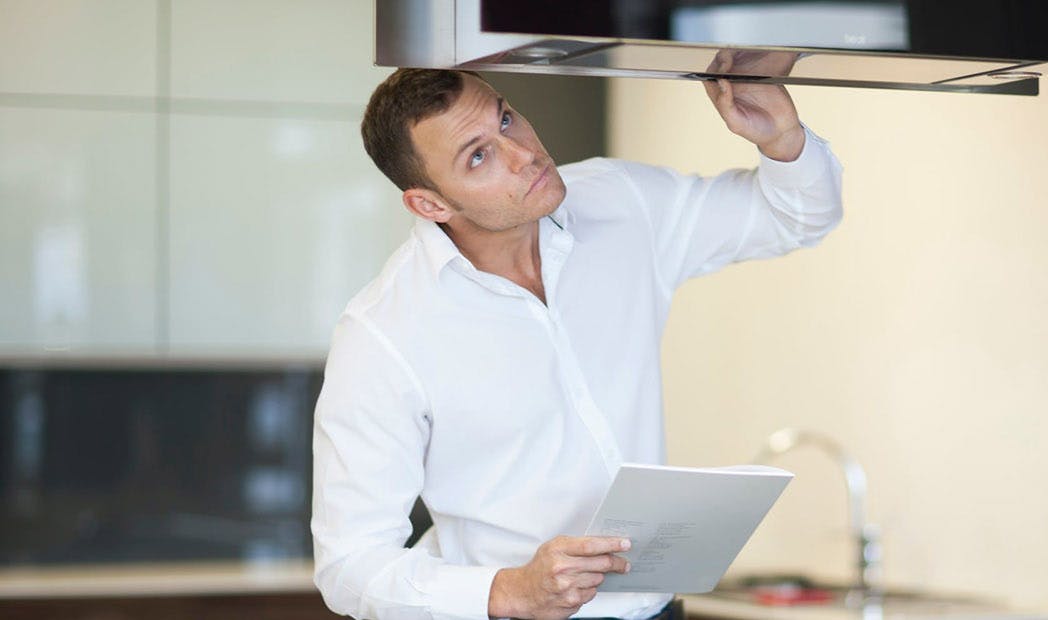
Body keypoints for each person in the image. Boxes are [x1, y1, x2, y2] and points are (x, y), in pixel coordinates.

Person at [311, 60, 843, 620]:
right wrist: (510, 590)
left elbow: (798, 217)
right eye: (478, 155)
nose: (524, 155)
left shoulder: (620, 202)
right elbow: (350, 566)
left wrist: (783, 138)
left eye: (507, 120)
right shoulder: (382, 334)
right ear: (431, 204)